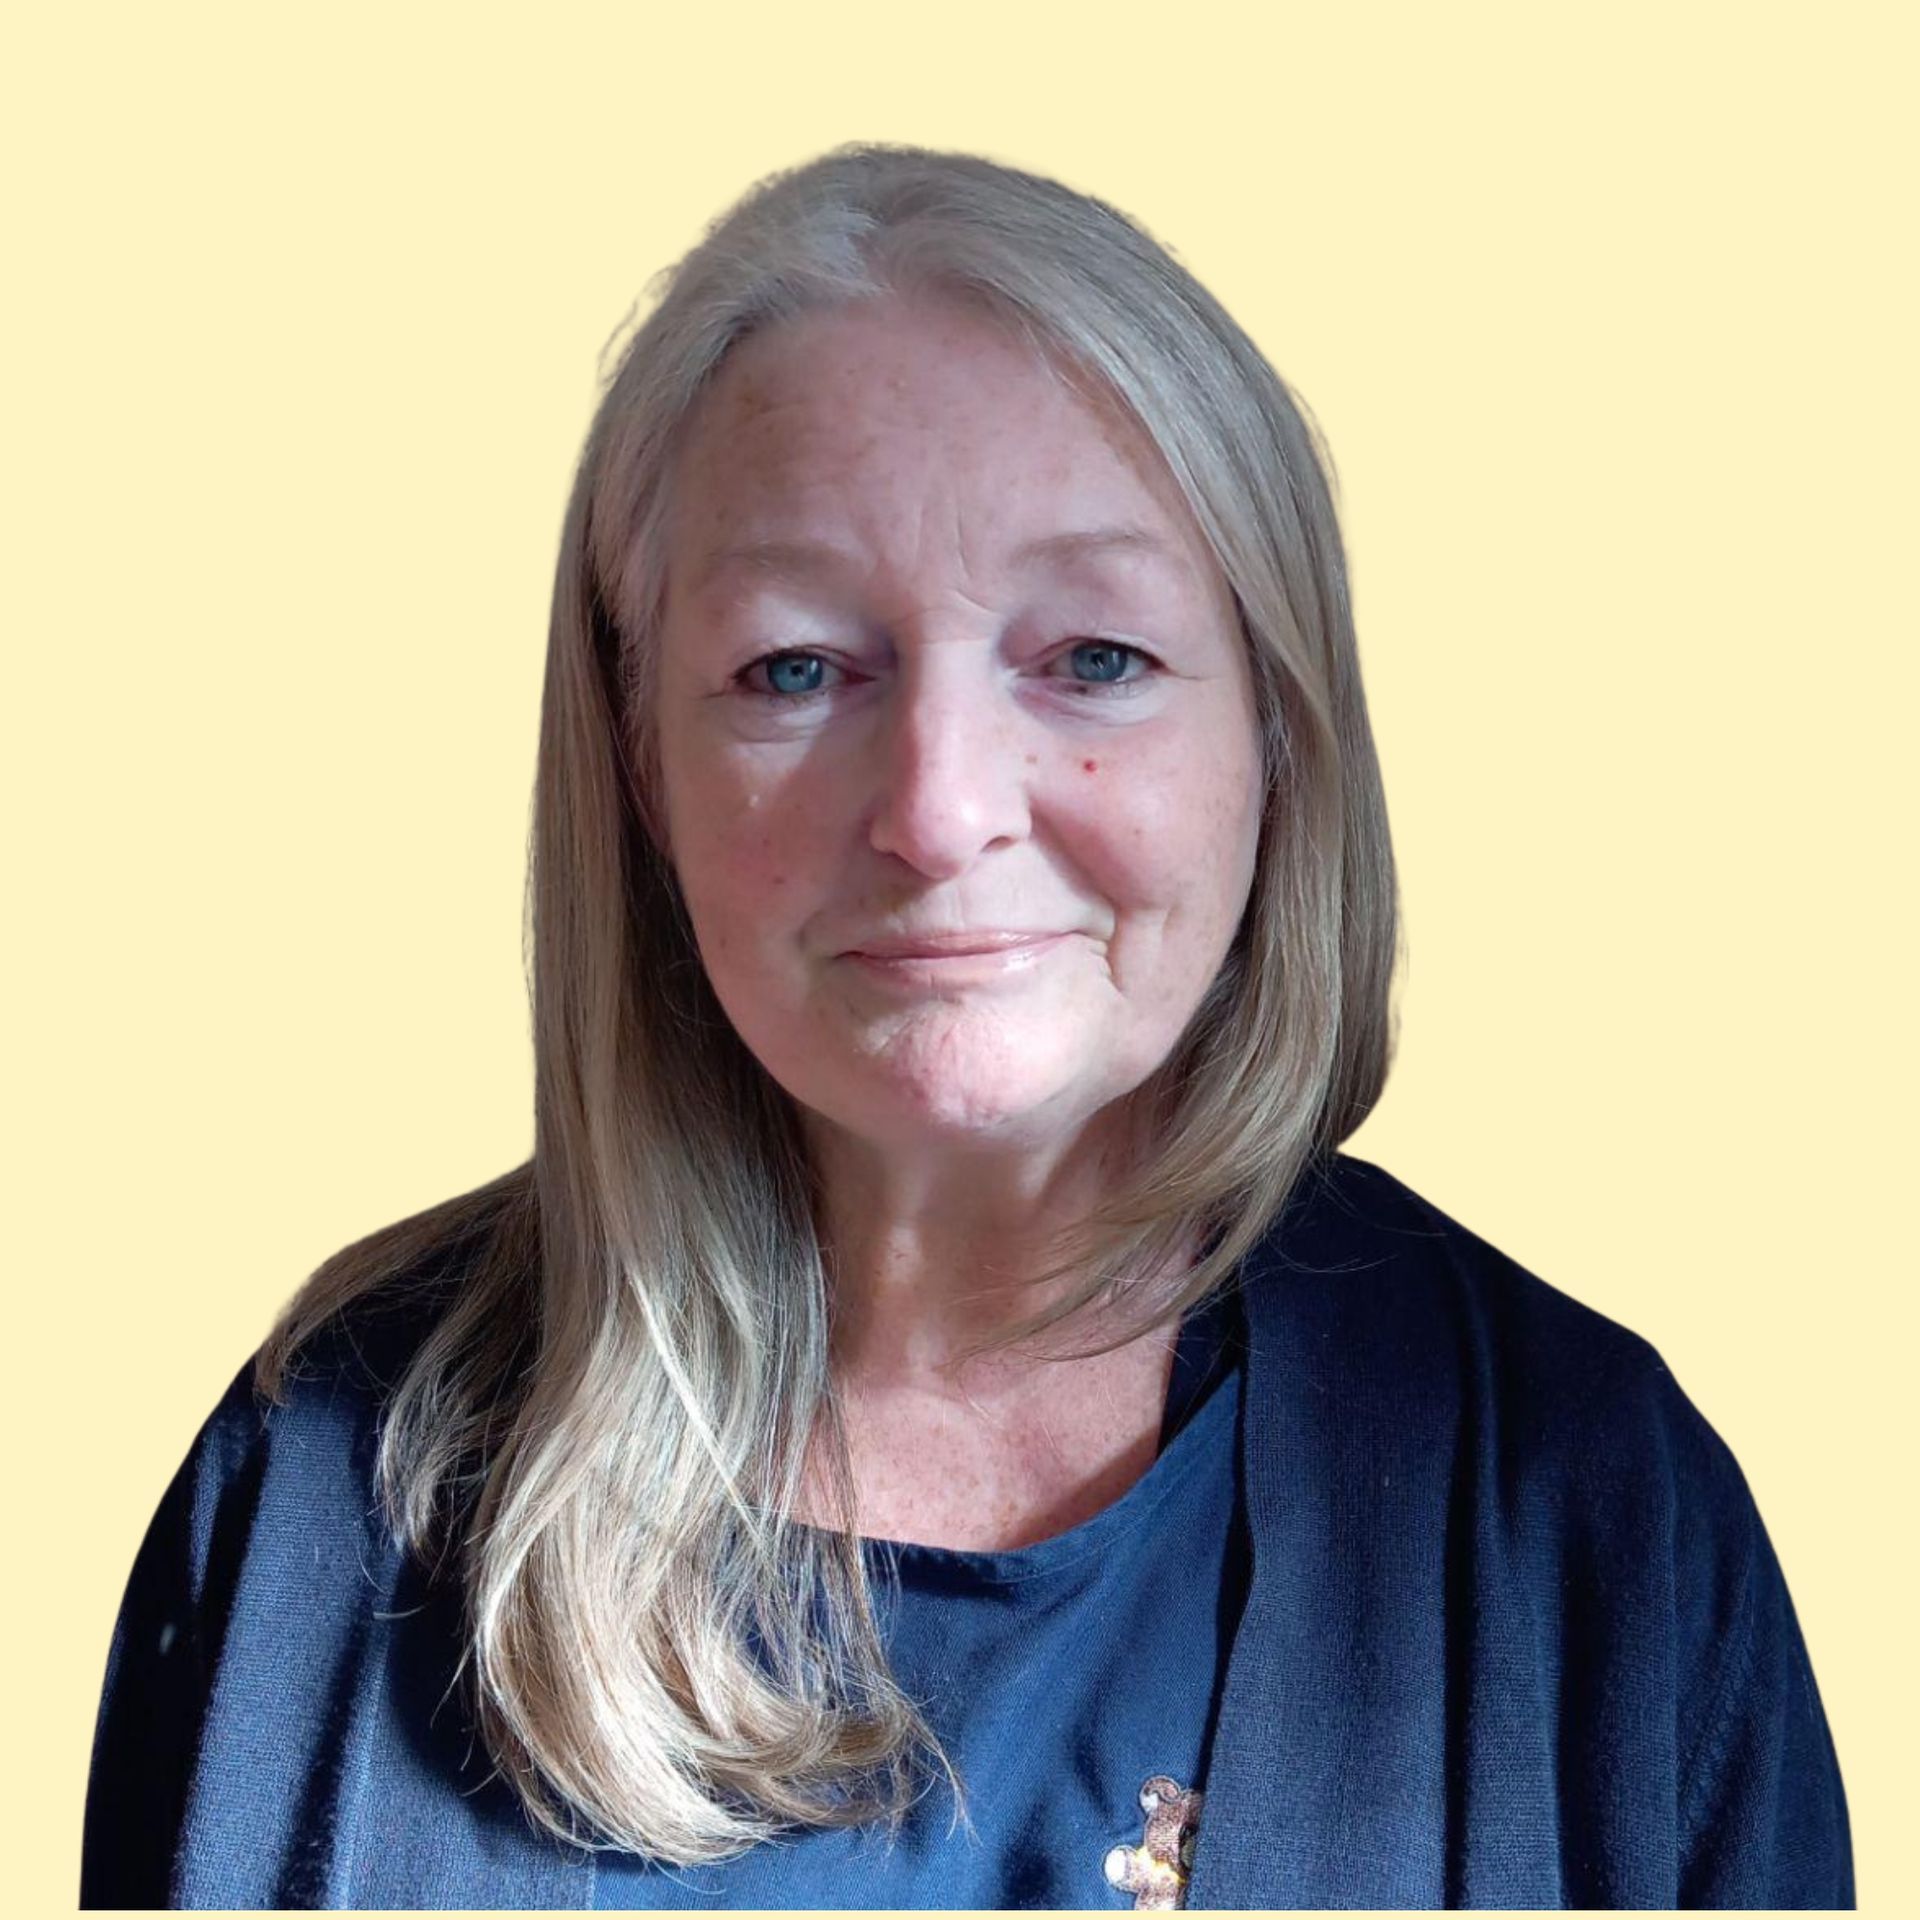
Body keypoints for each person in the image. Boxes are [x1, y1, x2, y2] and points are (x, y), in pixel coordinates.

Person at [79, 142, 1853, 1911]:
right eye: (794, 669)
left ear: (1278, 739)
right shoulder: (313, 1498)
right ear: (639, 767)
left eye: (1093, 658)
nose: (940, 812)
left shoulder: (1598, 1512)